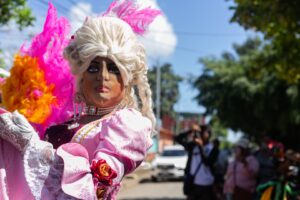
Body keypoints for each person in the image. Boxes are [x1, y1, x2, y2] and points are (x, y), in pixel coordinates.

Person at [0, 1, 160, 199]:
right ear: (81, 75)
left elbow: (94, 191)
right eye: (93, 68)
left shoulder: (128, 125)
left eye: (113, 68)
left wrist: (32, 147)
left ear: (127, 79)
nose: (102, 76)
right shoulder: (67, 122)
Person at [175, 124, 219, 200]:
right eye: (199, 132)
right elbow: (177, 139)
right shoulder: (193, 146)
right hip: (193, 183)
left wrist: (201, 147)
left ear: (209, 134)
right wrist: (190, 131)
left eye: (203, 132)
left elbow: (207, 162)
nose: (201, 134)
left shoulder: (213, 149)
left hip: (207, 185)